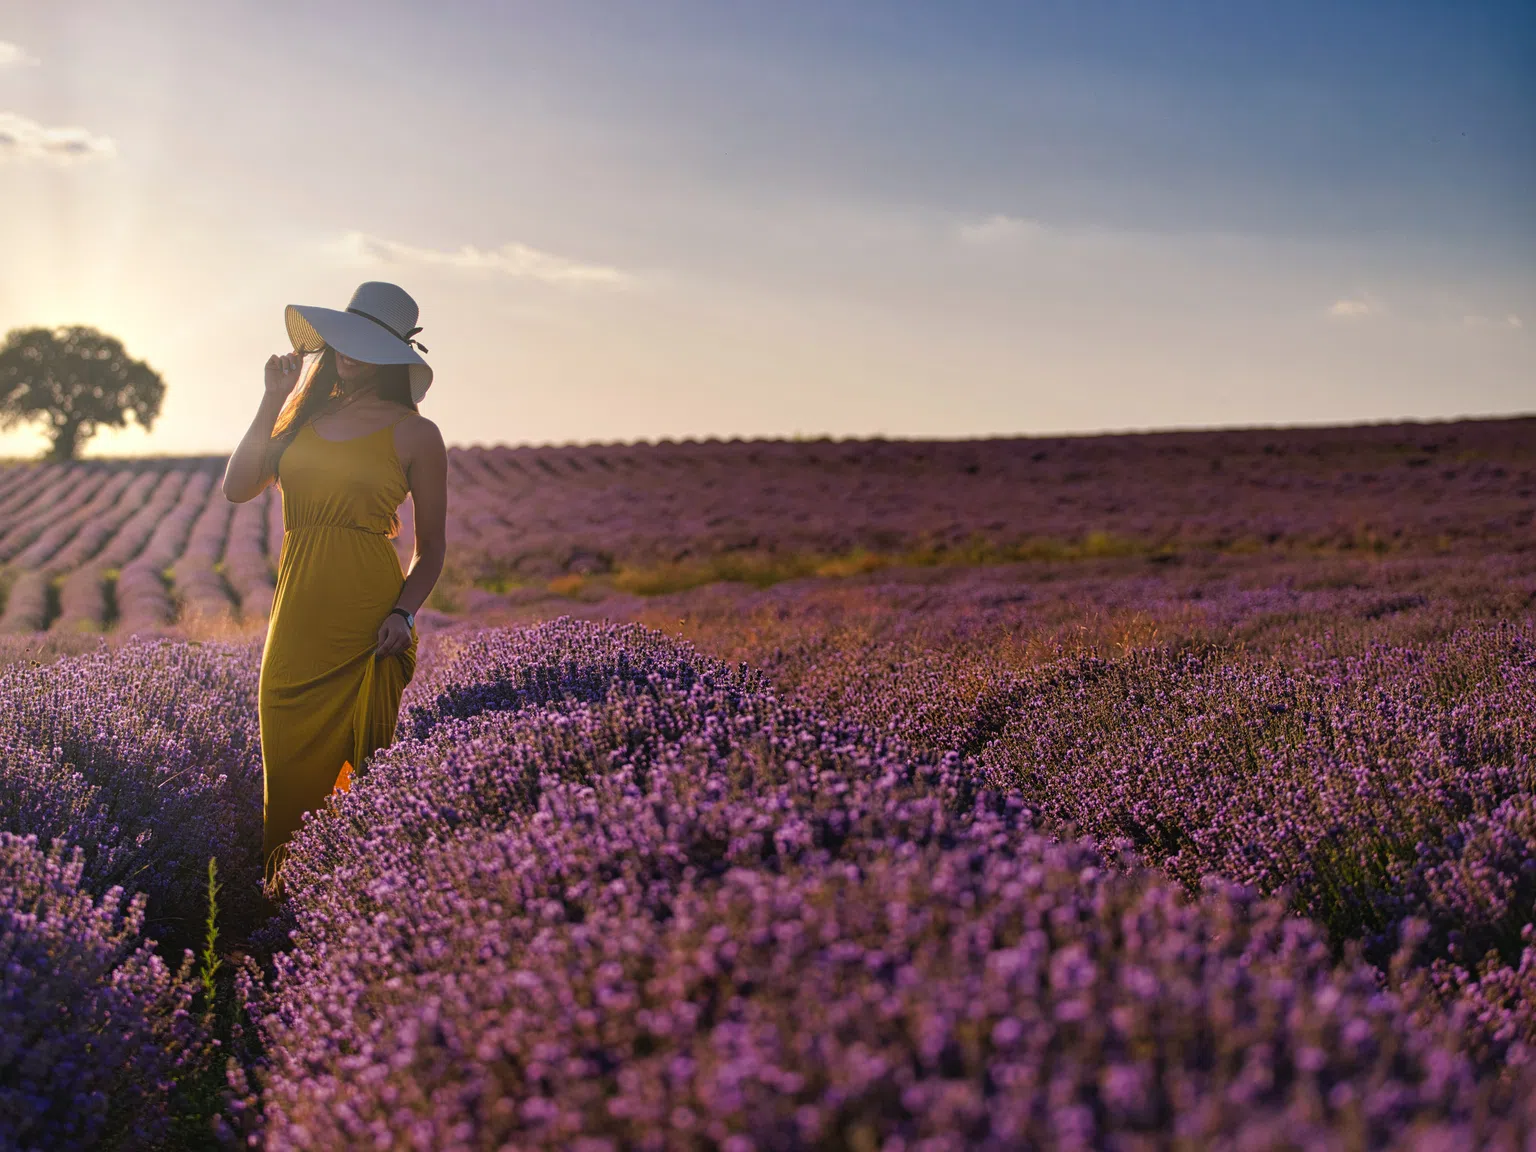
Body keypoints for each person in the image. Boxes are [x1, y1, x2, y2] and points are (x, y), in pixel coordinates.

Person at [222, 281, 448, 887]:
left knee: (360, 774)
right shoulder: (306, 415)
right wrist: (273, 399)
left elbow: (431, 551)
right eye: (343, 341)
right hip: (294, 625)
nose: (347, 354)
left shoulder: (417, 434)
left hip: (366, 624)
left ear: (393, 357)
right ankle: (284, 907)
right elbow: (238, 486)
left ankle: (350, 904)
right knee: (288, 772)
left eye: (365, 345)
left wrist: (402, 615)